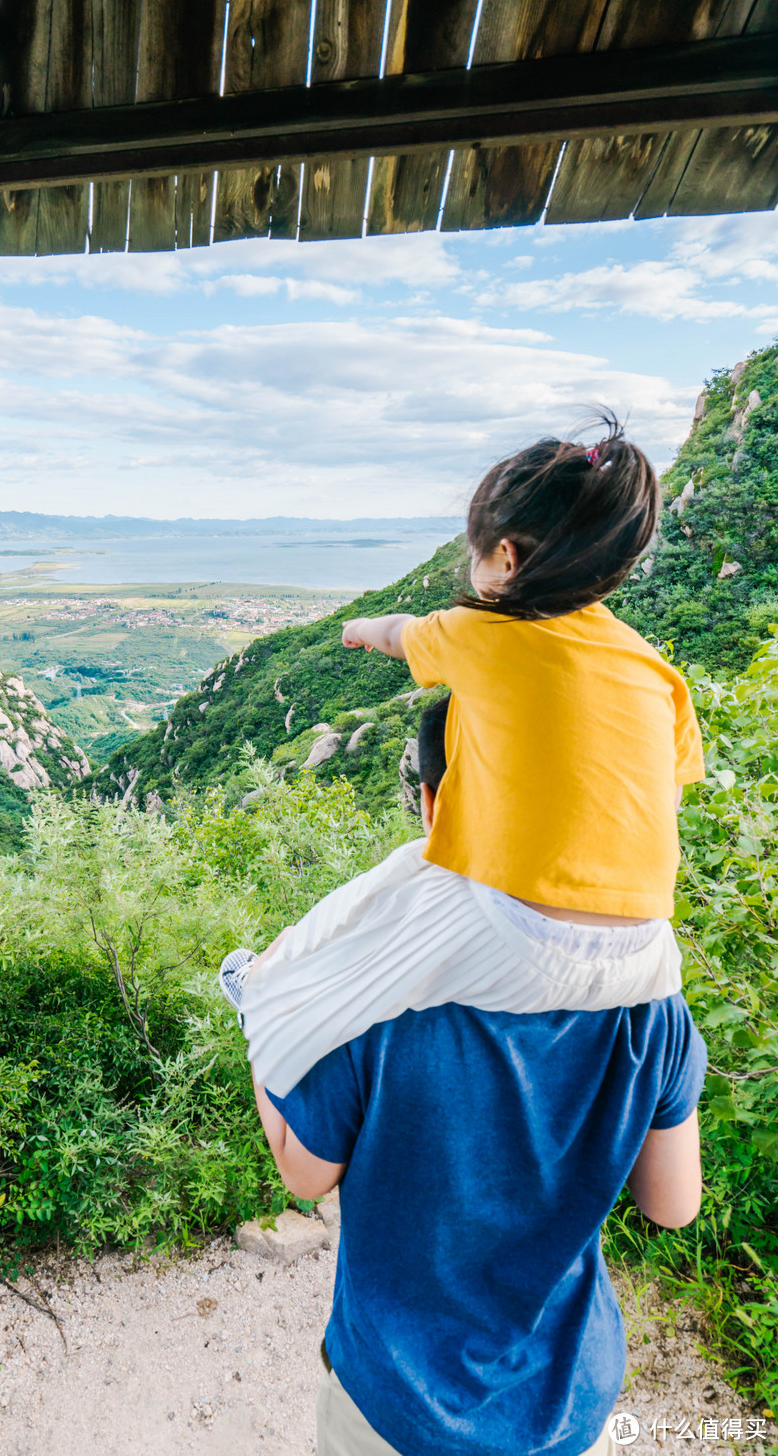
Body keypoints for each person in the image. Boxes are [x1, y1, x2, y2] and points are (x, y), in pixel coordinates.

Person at [254, 700, 707, 1456]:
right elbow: (674, 1203)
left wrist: (266, 1033)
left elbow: (304, 1175)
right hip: (567, 1399)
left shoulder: (376, 995)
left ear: (434, 806)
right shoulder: (647, 997)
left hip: (401, 1404)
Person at [223, 420, 704, 1099]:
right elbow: (657, 798)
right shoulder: (657, 673)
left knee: (394, 883)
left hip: (526, 940)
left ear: (504, 558)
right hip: (651, 960)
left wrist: (356, 629)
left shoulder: (483, 630)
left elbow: (397, 634)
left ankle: (262, 992)